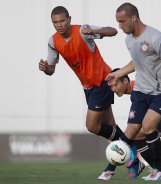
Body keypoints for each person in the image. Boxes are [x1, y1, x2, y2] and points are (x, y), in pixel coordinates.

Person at [38, 6, 123, 179]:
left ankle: (128, 147)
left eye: (62, 21)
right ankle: (126, 162)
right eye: (55, 22)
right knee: (111, 128)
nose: (59, 25)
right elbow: (51, 70)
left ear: (69, 19)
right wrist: (46, 68)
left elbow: (113, 31)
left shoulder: (83, 31)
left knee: (92, 126)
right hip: (88, 88)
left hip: (102, 81)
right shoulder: (53, 42)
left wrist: (95, 31)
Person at [106, 2, 161, 180]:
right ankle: (153, 170)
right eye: (117, 22)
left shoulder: (156, 37)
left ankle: (158, 170)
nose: (120, 26)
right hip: (141, 92)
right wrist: (119, 73)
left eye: (122, 22)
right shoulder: (128, 40)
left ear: (134, 18)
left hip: (160, 92)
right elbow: (137, 62)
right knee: (132, 130)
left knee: (147, 126)